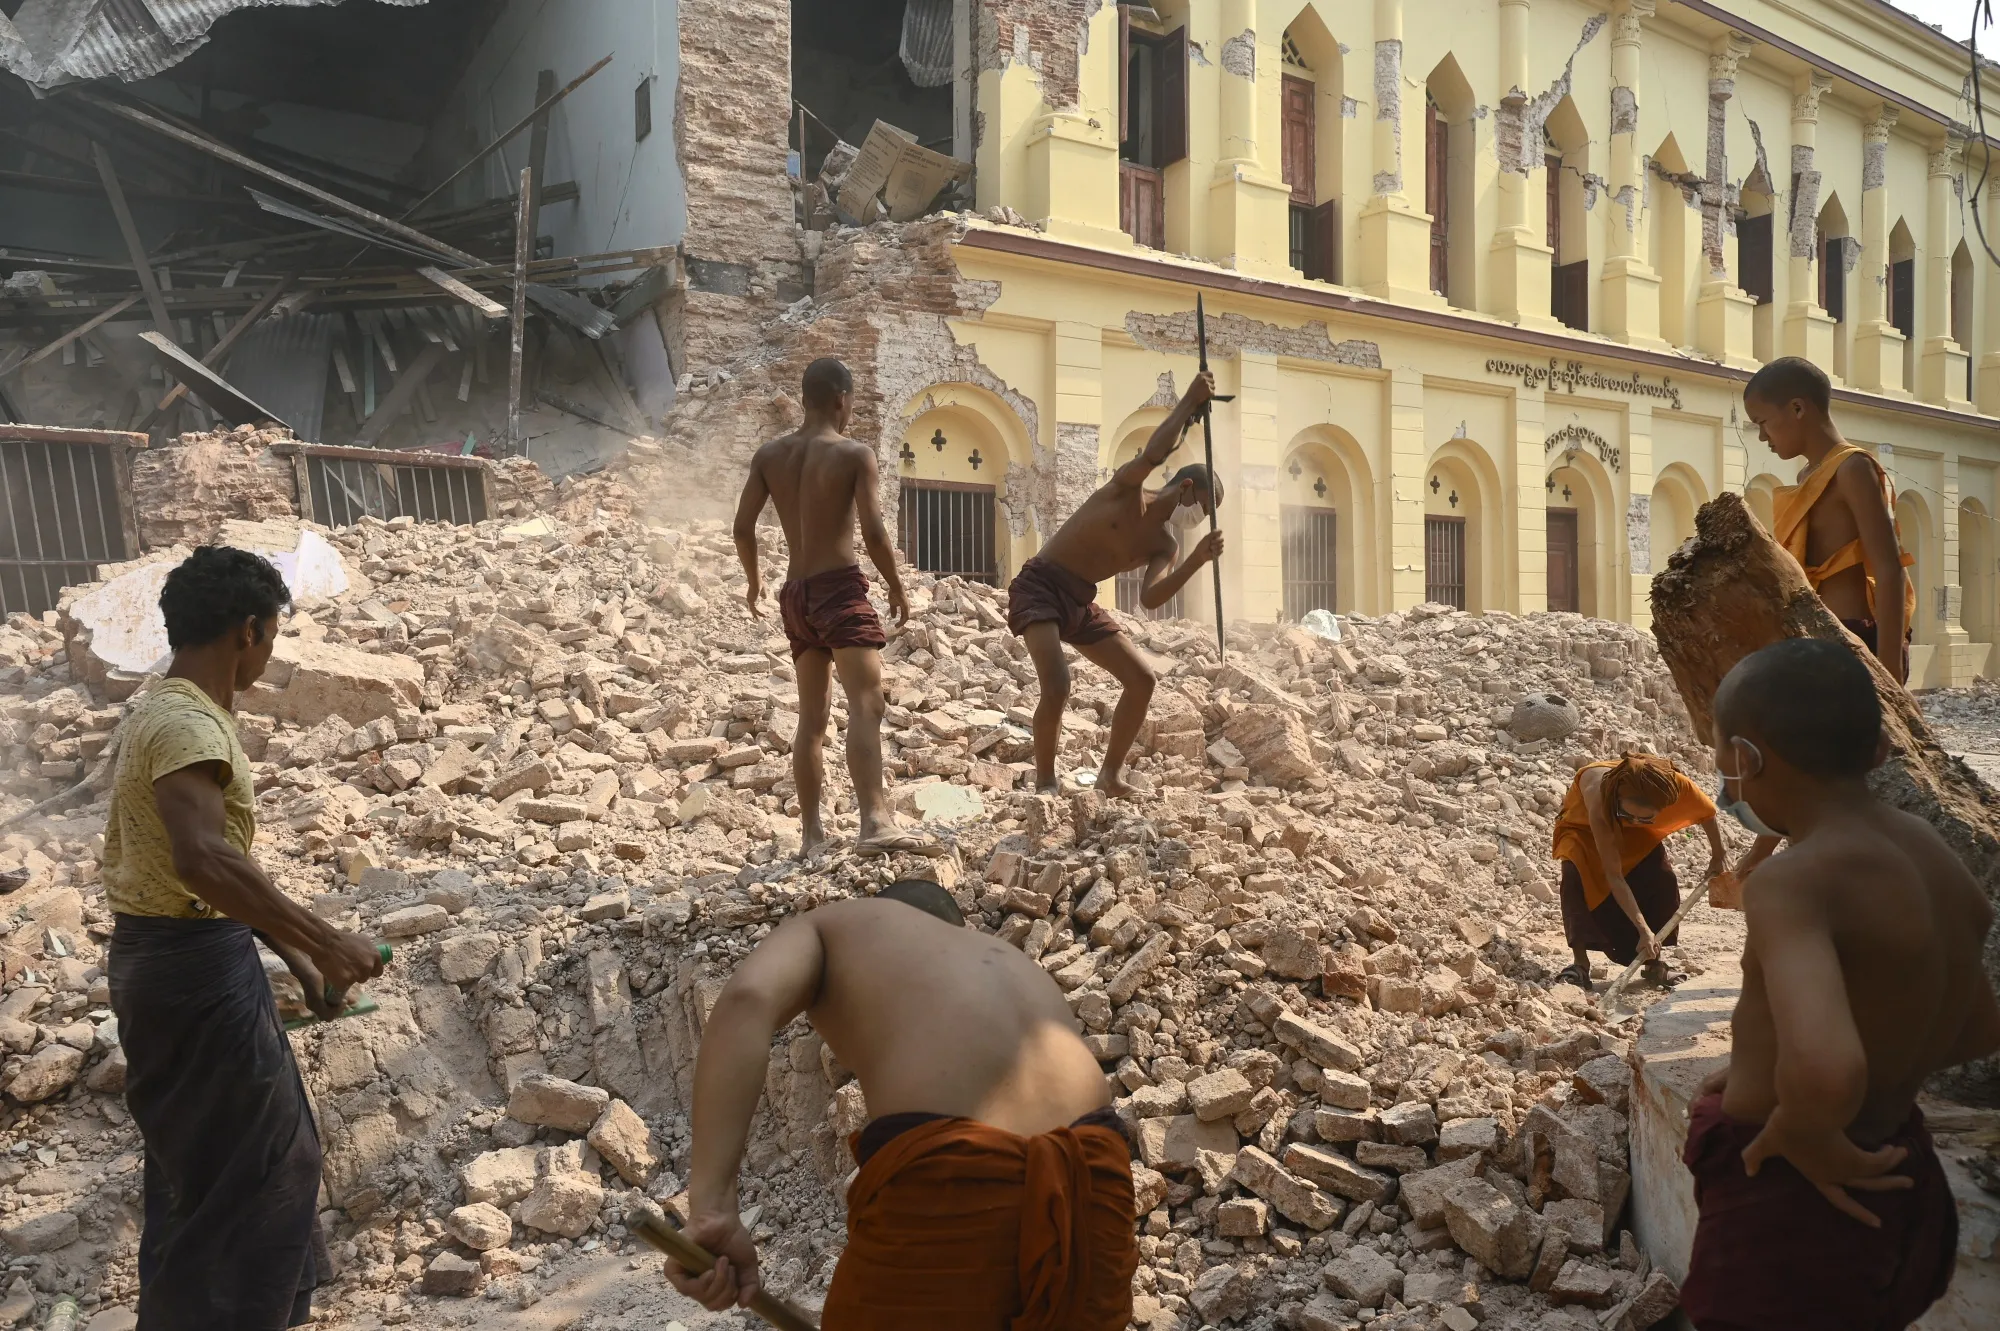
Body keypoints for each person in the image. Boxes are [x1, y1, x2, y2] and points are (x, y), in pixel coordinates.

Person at [1680, 638, 2000, 1330]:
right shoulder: (1930, 850)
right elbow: (1977, 1024)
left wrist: (1803, 1127)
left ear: (1745, 758)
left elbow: (1825, 1067)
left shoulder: (1793, 880)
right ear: (1880, 747)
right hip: (1901, 1174)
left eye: (1722, 760)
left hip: (1800, 1205)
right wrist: (1758, 1070)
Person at [104, 546, 386, 1329]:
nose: (271, 650)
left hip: (187, 959)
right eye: (272, 636)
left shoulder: (168, 712)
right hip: (189, 972)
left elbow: (213, 876)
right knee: (258, 1171)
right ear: (250, 630)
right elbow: (202, 859)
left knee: (211, 1170)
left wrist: (300, 963)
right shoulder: (185, 721)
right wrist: (328, 940)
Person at [663, 880, 1137, 1330]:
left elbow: (747, 999)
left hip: (959, 1185)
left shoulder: (834, 925)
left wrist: (713, 1208)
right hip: (1095, 1191)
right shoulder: (1010, 963)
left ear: (891, 910)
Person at [734, 357, 936, 857]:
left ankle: (811, 837)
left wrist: (754, 583)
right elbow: (873, 531)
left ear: (805, 399)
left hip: (795, 595)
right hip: (839, 592)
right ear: (843, 400)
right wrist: (895, 586)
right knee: (867, 703)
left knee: (812, 719)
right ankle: (873, 823)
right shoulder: (853, 454)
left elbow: (742, 528)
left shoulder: (769, 454)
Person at [1008, 371, 1224, 795]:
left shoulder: (1165, 544)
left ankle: (1110, 776)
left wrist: (1197, 561)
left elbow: (1151, 599)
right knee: (1057, 684)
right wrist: (1188, 403)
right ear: (1184, 487)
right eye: (1201, 506)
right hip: (1041, 586)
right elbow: (1156, 452)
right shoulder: (1126, 489)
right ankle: (1046, 784)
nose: (1199, 519)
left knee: (1142, 680)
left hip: (1080, 601)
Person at [1748, 355, 1915, 682]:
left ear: (1797, 408)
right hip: (1811, 638)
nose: (1762, 437)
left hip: (1855, 642)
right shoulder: (1807, 475)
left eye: (1762, 422)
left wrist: (1890, 672)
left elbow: (1889, 568)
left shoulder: (1853, 468)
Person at [1549, 751, 1726, 991]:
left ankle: (1654, 962)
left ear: (1662, 808)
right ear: (1619, 797)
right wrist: (1642, 929)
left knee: (1660, 878)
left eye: (1644, 817)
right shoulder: (1600, 798)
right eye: (1628, 814)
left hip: (1636, 834)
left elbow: (1707, 813)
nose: (1632, 820)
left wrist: (1718, 855)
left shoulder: (1674, 787)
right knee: (1577, 876)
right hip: (1585, 831)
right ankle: (1580, 965)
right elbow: (1614, 875)